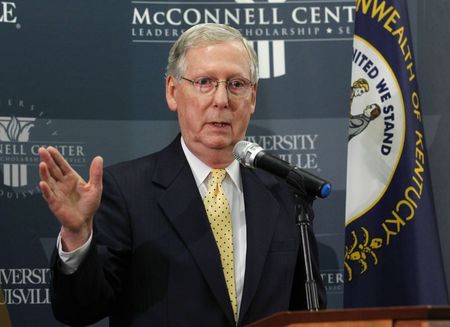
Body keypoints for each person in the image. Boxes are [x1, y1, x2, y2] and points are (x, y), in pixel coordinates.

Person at [38, 23, 326, 327]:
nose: (221, 100)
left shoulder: (284, 193)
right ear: (173, 91)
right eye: (204, 82)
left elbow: (307, 314)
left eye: (237, 84)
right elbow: (79, 311)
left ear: (252, 97)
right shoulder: (127, 191)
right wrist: (77, 236)